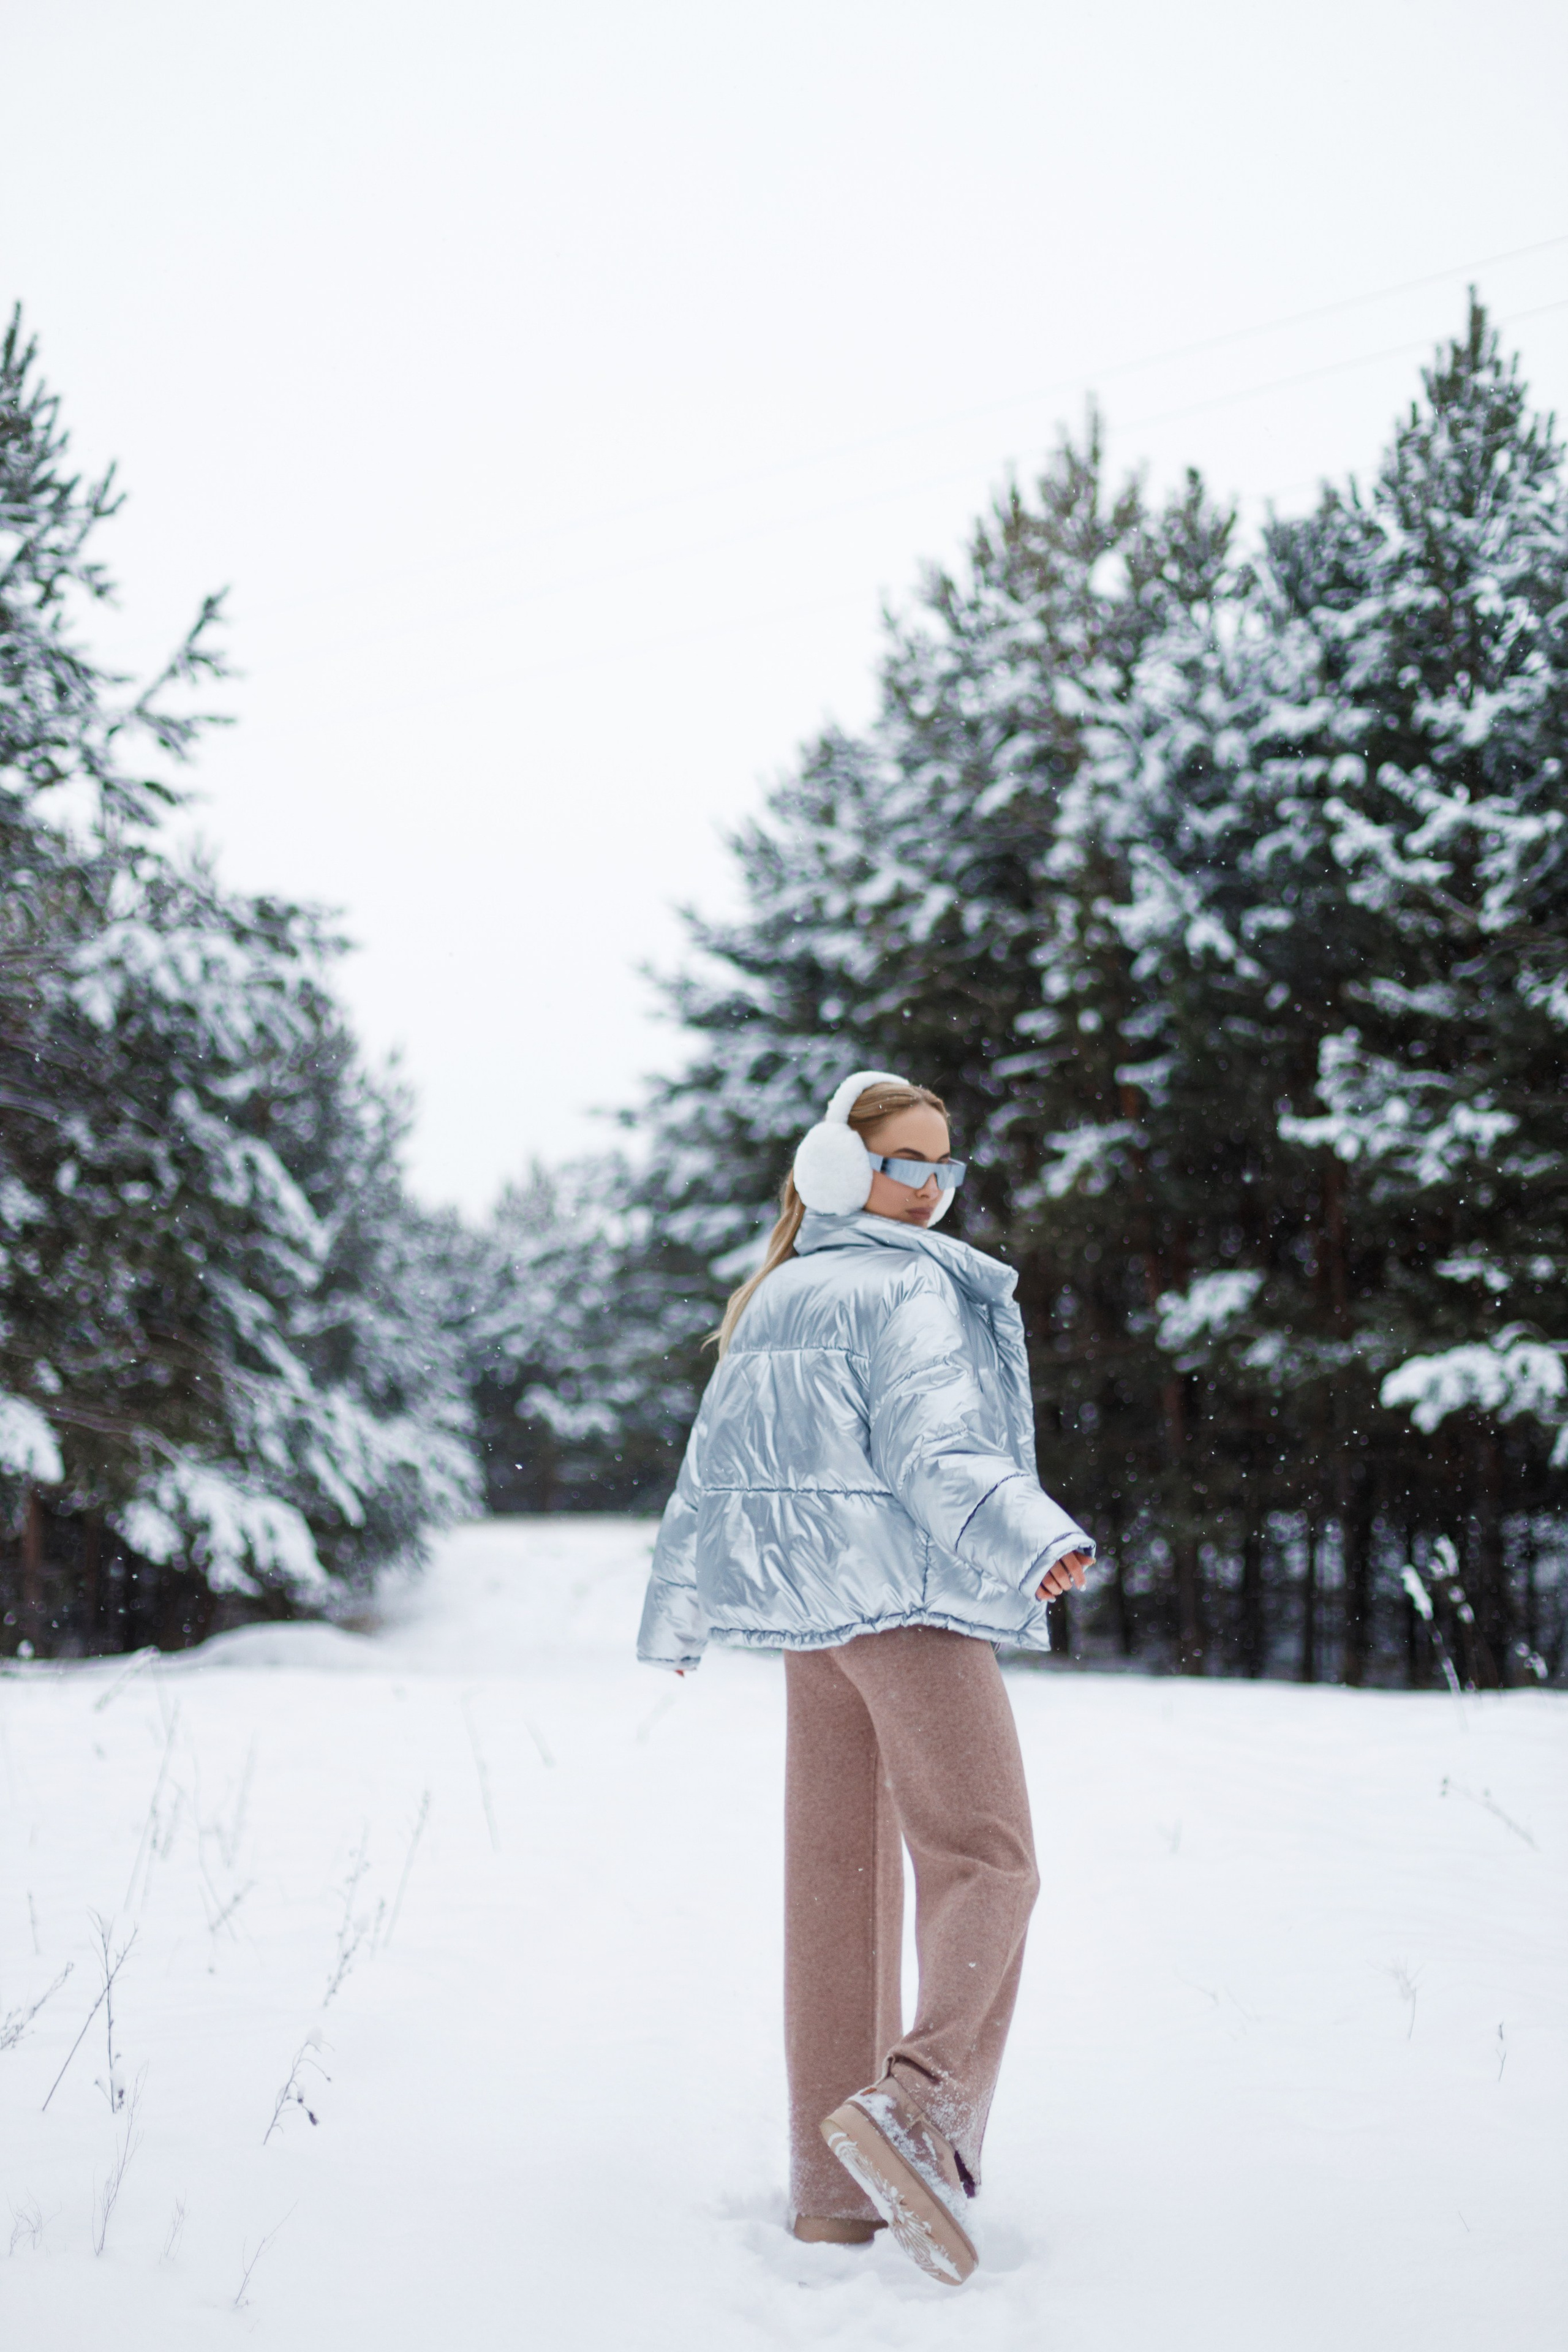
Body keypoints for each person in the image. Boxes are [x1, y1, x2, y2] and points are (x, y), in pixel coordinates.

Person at [637, 1070, 1093, 2286]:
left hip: (811, 1627)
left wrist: (677, 1600)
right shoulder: (906, 1290)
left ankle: (831, 2200)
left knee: (833, 1891)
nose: (932, 1192)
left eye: (948, 1170)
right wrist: (1030, 1535)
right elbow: (934, 1448)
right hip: (909, 1604)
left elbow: (709, 1470)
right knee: (989, 1861)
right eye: (907, 1165)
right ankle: (917, 2104)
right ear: (840, 1169)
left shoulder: (778, 1293)